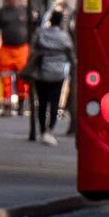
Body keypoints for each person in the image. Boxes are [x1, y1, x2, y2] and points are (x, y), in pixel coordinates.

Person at [30, 10, 74, 146]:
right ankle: (50, 129)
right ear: (61, 22)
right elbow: (70, 52)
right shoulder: (64, 36)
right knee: (54, 102)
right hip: (58, 73)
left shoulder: (40, 33)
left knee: (42, 102)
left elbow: (33, 47)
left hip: (41, 72)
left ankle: (42, 129)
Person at [0, 0, 30, 115]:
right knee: (5, 78)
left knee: (23, 78)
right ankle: (7, 105)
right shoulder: (0, 12)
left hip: (22, 49)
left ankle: (21, 104)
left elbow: (33, 29)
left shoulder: (25, 11)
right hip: (6, 49)